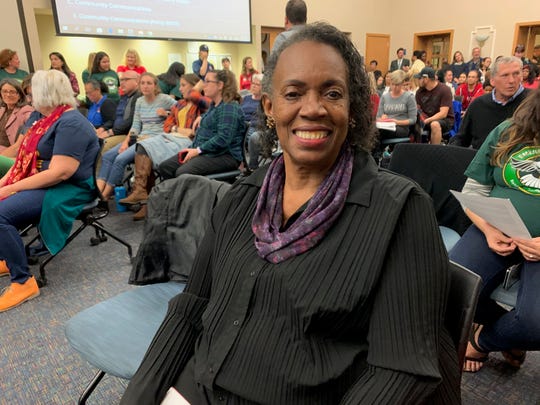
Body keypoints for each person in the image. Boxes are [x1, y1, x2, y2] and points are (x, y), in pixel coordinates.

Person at [121, 22, 459, 405]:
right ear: (270, 107)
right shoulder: (244, 196)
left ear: (353, 107)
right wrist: (139, 397)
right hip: (202, 383)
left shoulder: (398, 210)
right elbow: (192, 306)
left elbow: (400, 369)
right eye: (293, 93)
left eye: (332, 93)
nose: (312, 109)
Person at [449, 90, 540, 373]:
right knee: (450, 286)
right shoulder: (508, 130)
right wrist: (487, 230)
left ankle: (482, 340)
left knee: (534, 323)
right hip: (497, 227)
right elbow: (473, 191)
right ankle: (508, 334)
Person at [0, 69, 99, 312]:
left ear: (46, 93)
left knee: (0, 214)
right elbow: (25, 159)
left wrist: (12, 186)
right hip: (48, 181)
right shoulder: (47, 119)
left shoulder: (70, 122)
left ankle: (23, 282)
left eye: (33, 90)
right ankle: (7, 258)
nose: (29, 94)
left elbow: (59, 173)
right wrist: (5, 183)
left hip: (67, 188)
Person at [119, 73, 211, 221]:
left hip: (188, 143)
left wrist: (197, 89)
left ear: (193, 87)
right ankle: (141, 193)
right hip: (173, 137)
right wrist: (179, 130)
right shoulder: (179, 104)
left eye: (183, 85)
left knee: (148, 149)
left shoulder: (201, 103)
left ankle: (146, 201)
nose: (179, 89)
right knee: (143, 146)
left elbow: (195, 133)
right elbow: (168, 125)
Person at [97, 72, 176, 200]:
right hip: (139, 139)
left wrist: (167, 114)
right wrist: (125, 143)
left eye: (149, 83)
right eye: (143, 83)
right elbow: (135, 126)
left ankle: (104, 197)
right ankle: (98, 192)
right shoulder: (139, 101)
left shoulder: (164, 99)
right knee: (107, 156)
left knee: (119, 160)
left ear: (155, 86)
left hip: (153, 141)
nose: (145, 86)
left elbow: (181, 110)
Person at [158, 70, 246, 180]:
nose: (204, 85)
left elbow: (223, 139)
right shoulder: (214, 105)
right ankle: (177, 196)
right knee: (165, 167)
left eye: (207, 81)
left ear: (220, 85)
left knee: (183, 173)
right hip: (207, 151)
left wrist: (198, 150)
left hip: (225, 156)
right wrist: (202, 117)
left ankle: (191, 196)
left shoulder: (229, 106)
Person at [450, 56, 530, 150]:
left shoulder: (534, 102)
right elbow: (461, 139)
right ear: (492, 80)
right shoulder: (478, 105)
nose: (511, 80)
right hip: (483, 161)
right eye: (505, 75)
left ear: (521, 76)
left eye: (516, 74)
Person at [96, 71, 142, 154]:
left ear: (137, 81)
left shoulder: (138, 98)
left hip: (126, 135)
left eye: (126, 80)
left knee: (103, 145)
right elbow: (114, 118)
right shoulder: (123, 97)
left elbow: (130, 122)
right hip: (116, 132)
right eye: (121, 80)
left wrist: (110, 132)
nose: (122, 83)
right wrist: (102, 128)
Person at [415, 66, 454, 144]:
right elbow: (417, 108)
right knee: (412, 123)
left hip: (445, 120)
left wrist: (428, 120)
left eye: (420, 78)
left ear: (426, 79)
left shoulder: (444, 90)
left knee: (434, 124)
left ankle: (434, 152)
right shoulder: (419, 91)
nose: (418, 81)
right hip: (425, 118)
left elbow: (443, 113)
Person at [376, 69, 417, 139]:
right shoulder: (384, 96)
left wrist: (397, 122)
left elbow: (413, 120)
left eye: (397, 85)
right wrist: (382, 118)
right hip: (385, 126)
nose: (394, 87)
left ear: (402, 83)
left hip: (401, 128)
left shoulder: (409, 97)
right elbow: (378, 117)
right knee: (373, 131)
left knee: (379, 133)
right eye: (392, 84)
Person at [0, 79, 33, 155]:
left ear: (20, 95)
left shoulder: (27, 111)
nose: (8, 95)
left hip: (10, 153)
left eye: (12, 92)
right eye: (4, 91)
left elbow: (21, 145)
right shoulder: (2, 109)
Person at [241, 73, 264, 171]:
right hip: (242, 124)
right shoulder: (246, 98)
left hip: (255, 127)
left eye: (257, 84)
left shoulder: (264, 101)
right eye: (252, 83)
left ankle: (252, 168)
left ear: (263, 87)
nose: (253, 86)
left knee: (249, 135)